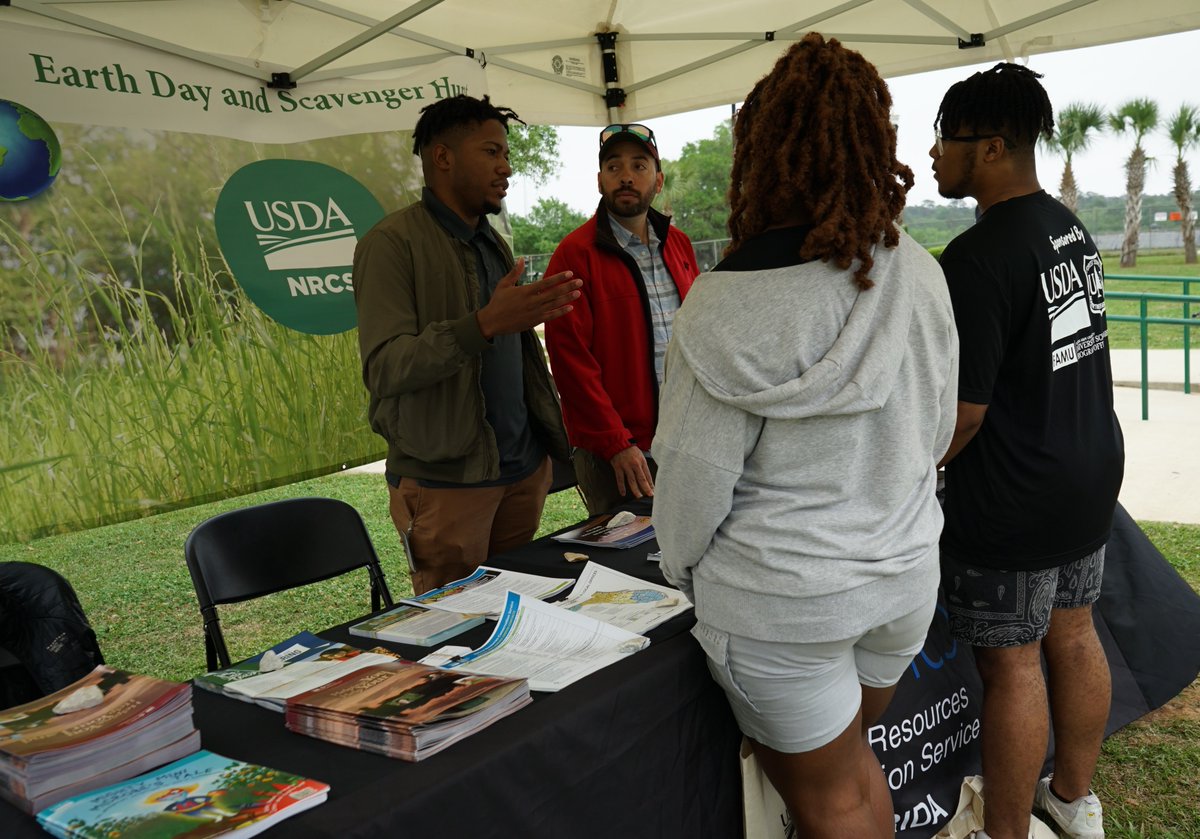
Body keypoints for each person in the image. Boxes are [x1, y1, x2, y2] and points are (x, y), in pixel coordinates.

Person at [651, 33, 958, 838]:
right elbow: (933, 431)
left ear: (764, 149)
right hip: (901, 581)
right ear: (871, 143)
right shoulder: (920, 272)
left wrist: (681, 571)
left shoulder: (720, 306)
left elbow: (689, 484)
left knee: (834, 797)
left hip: (779, 605)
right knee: (856, 774)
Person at [931, 63, 1124, 839]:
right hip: (1086, 473)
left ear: (992, 146)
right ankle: (1072, 803)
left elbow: (965, 413)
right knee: (1074, 634)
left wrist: (912, 469)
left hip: (1012, 494)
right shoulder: (1067, 226)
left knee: (1012, 664)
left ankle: (1005, 831)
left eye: (946, 137)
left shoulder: (977, 257)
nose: (936, 153)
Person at [353, 94, 582, 595]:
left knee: (515, 615)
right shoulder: (391, 244)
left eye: (505, 153)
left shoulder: (490, 240)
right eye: (492, 152)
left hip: (521, 474)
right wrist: (481, 325)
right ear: (443, 158)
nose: (507, 166)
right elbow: (386, 368)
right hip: (447, 487)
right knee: (458, 633)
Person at [543, 123, 698, 515]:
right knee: (628, 570)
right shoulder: (574, 255)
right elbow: (570, 362)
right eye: (613, 167)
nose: (626, 176)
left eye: (639, 166)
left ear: (658, 180)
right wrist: (616, 444)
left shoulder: (678, 245)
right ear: (600, 181)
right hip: (621, 455)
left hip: (684, 441)